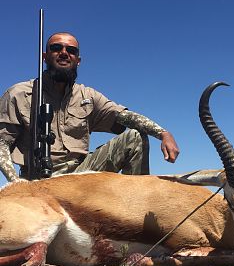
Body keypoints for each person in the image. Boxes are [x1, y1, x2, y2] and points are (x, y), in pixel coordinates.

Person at [0, 32, 179, 181]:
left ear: (78, 60)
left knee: (135, 137)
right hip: (38, 180)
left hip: (81, 175)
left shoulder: (88, 95)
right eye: (56, 48)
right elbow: (2, 144)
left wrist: (163, 133)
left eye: (71, 50)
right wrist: (16, 183)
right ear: (45, 56)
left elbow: (124, 116)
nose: (64, 52)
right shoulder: (19, 93)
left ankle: (137, 211)